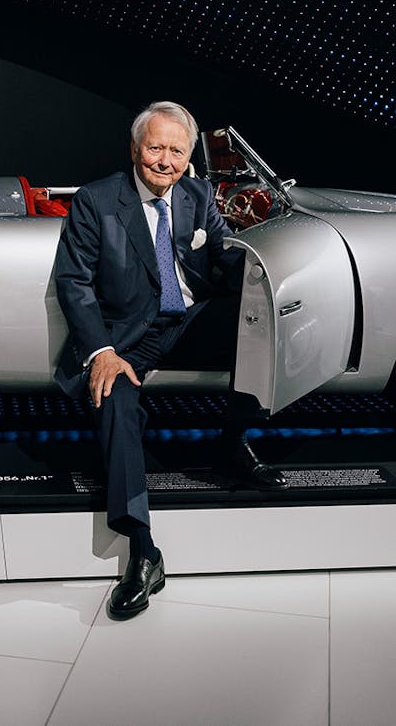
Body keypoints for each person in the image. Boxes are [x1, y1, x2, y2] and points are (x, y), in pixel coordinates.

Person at [54, 101, 288, 621]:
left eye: (176, 151)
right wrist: (103, 353)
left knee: (262, 326)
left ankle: (233, 443)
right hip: (125, 334)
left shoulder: (198, 193)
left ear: (188, 158)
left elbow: (217, 261)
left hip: (185, 320)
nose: (165, 161)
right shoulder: (96, 201)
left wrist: (259, 260)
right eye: (155, 148)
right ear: (136, 148)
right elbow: (74, 285)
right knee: (113, 397)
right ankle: (142, 550)